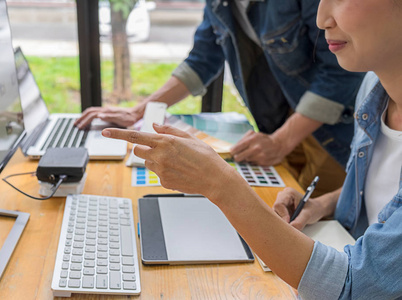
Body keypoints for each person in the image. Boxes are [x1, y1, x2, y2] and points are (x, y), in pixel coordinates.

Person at [101, 0, 402, 298]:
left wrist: (222, 185)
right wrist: (321, 205)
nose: (322, 18)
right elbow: (380, 194)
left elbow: (355, 286)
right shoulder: (374, 92)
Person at [75, 0, 365, 197]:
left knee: (323, 225)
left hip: (331, 130)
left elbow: (341, 72)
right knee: (284, 209)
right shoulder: (218, 4)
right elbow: (202, 59)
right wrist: (140, 111)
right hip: (276, 124)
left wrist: (281, 141)